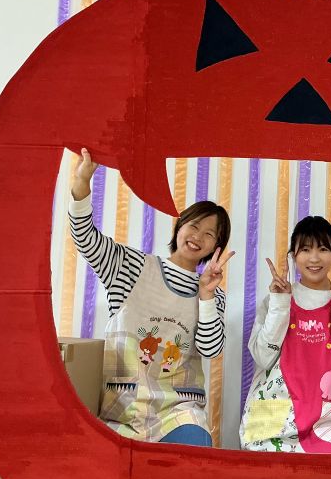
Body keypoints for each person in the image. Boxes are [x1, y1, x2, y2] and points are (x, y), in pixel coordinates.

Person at [69, 148, 233, 446]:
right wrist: (81, 186)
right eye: (194, 225)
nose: (198, 236)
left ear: (215, 248)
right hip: (122, 409)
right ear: (180, 225)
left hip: (179, 411)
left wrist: (206, 295)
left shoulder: (213, 295)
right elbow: (86, 239)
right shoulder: (130, 267)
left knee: (196, 448)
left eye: (210, 234)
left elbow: (211, 350)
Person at [239, 216, 331, 453]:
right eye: (305, 249)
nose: (314, 258)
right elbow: (263, 357)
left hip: (329, 425)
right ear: (293, 255)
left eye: (322, 249)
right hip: (272, 423)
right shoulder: (275, 299)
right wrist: (280, 304)